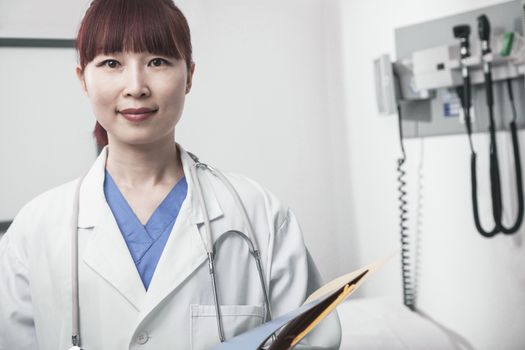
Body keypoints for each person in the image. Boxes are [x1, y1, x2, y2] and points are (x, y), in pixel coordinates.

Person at [0, 0, 341, 349]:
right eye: (111, 63)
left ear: (189, 75)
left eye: (157, 61)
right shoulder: (34, 231)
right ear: (83, 79)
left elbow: (314, 340)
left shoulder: (260, 215)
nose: (135, 86)